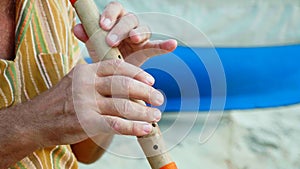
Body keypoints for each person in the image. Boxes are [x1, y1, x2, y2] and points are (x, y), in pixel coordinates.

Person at [0, 0, 177, 168]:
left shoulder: (56, 4)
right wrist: (31, 122)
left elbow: (84, 152)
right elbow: (45, 120)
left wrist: (109, 87)